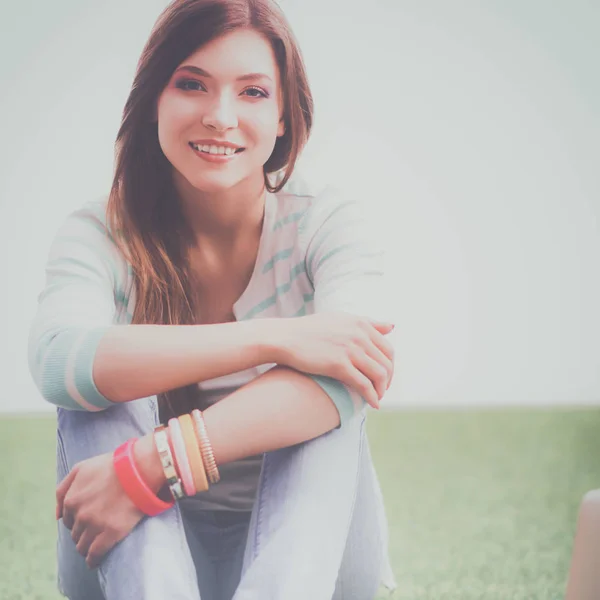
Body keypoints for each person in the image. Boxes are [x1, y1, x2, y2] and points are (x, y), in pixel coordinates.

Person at [28, 0, 398, 598]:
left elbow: (355, 374)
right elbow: (57, 359)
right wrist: (275, 337)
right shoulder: (99, 233)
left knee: (332, 395)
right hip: (135, 557)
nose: (220, 117)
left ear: (283, 116)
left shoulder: (326, 222)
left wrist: (149, 468)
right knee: (93, 391)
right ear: (154, 99)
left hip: (309, 557)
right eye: (192, 84)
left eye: (252, 93)